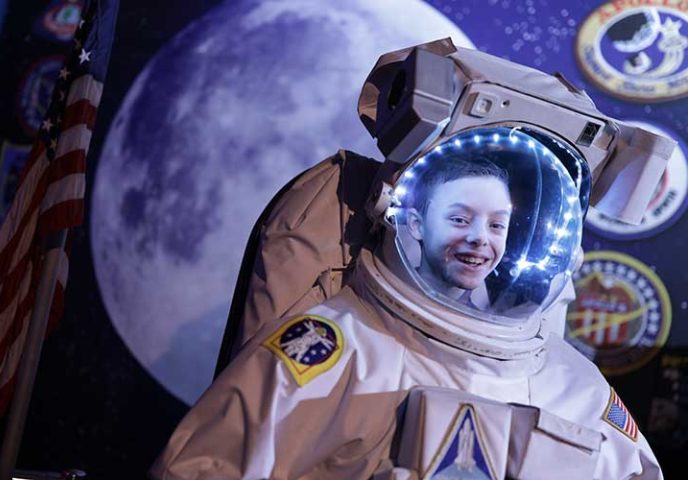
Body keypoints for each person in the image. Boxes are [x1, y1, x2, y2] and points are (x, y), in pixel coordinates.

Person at [151, 41, 669, 479]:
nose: (478, 241)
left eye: (496, 226)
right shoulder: (338, 349)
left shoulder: (572, 384)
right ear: (413, 221)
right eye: (459, 219)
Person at [406, 155, 511, 310]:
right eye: (459, 220)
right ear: (417, 225)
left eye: (496, 225)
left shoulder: (487, 330)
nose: (480, 237)